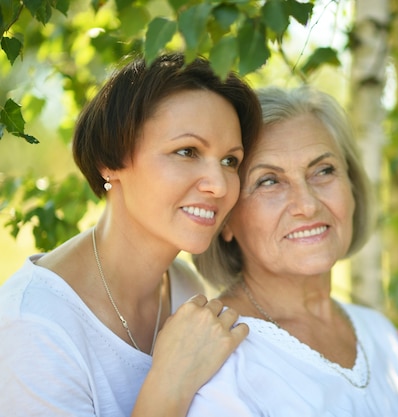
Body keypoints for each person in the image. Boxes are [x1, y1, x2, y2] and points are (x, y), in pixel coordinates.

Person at [0, 52, 261, 417]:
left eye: (230, 160)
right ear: (112, 160)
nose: (219, 185)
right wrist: (169, 383)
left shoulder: (187, 289)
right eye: (187, 151)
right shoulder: (34, 326)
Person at [190, 86, 398, 415]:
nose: (306, 205)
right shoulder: (215, 355)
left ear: (353, 188)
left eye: (323, 171)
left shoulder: (382, 334)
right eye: (268, 181)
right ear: (225, 221)